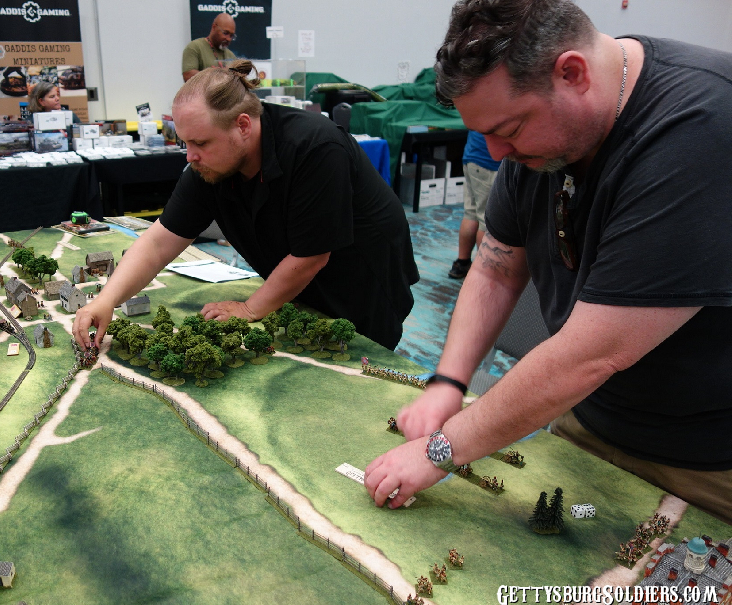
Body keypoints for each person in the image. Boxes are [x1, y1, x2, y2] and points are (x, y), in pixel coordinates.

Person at [364, 0, 732, 524]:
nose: (496, 153)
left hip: (709, 460)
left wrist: (439, 450)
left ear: (572, 73)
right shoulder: (538, 141)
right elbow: (495, 269)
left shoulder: (700, 125)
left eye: (509, 129)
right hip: (589, 417)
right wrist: (449, 382)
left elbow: (594, 352)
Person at [73, 60, 419, 351]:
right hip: (299, 286)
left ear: (242, 125)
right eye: (185, 143)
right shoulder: (209, 165)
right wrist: (107, 300)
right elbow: (159, 241)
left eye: (200, 142)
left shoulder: (315, 147)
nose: (190, 156)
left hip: (363, 284)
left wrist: (250, 309)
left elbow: (312, 256)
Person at [448, 131, 500, 279]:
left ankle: (462, 263)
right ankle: (483, 271)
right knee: (486, 221)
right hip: (488, 162)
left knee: (471, 214)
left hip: (472, 158)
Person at [182, 13, 237, 82]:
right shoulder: (195, 47)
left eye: (231, 36)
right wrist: (217, 77)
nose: (228, 39)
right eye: (225, 33)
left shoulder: (231, 56)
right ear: (214, 27)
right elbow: (188, 76)